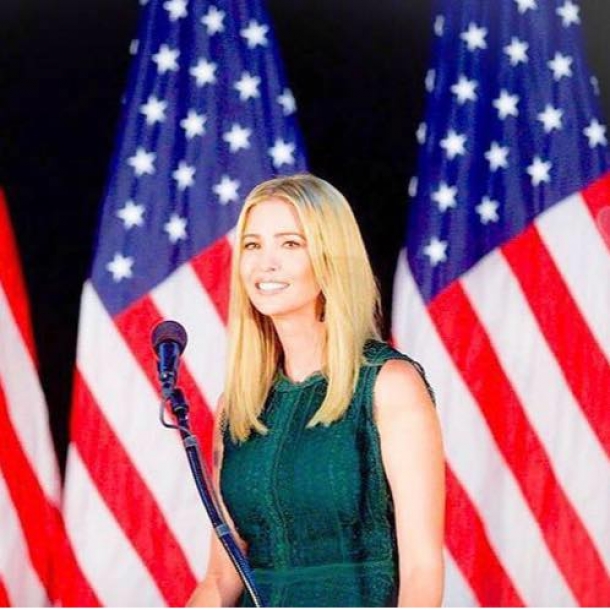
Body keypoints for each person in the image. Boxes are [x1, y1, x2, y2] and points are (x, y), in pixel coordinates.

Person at [188, 174, 444, 607]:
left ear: (331, 258)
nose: (266, 263)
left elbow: (423, 568)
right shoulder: (238, 408)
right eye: (252, 245)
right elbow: (220, 578)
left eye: (290, 244)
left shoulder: (389, 385)